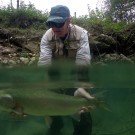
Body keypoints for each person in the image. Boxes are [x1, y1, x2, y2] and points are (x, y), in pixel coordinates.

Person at [38, 5, 94, 135]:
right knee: (50, 99)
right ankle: (55, 127)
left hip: (77, 69)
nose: (55, 27)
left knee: (80, 101)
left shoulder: (82, 34)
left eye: (59, 23)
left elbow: (82, 63)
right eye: (51, 23)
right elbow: (44, 63)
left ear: (69, 21)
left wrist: (80, 86)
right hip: (55, 69)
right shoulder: (46, 37)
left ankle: (82, 131)